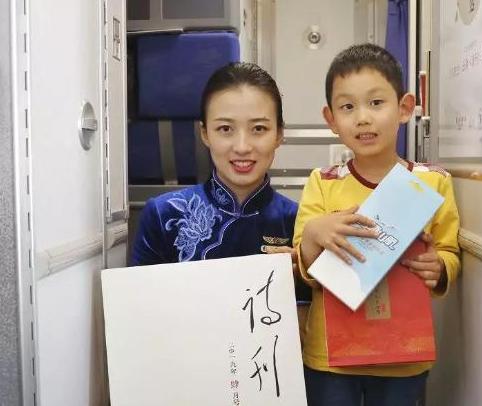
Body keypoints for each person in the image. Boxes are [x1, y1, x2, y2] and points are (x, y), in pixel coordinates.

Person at [293, 43, 460, 406]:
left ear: (405, 108)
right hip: (331, 357)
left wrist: (441, 267)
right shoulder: (323, 182)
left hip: (404, 355)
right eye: (347, 107)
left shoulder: (431, 182)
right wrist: (314, 234)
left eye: (376, 102)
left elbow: (449, 251)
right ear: (330, 118)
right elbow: (302, 264)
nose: (363, 118)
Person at [130, 62, 311, 306]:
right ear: (205, 133)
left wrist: (303, 280)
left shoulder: (300, 224)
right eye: (225, 128)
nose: (242, 146)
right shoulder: (162, 216)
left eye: (259, 128)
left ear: (279, 134)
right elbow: (138, 311)